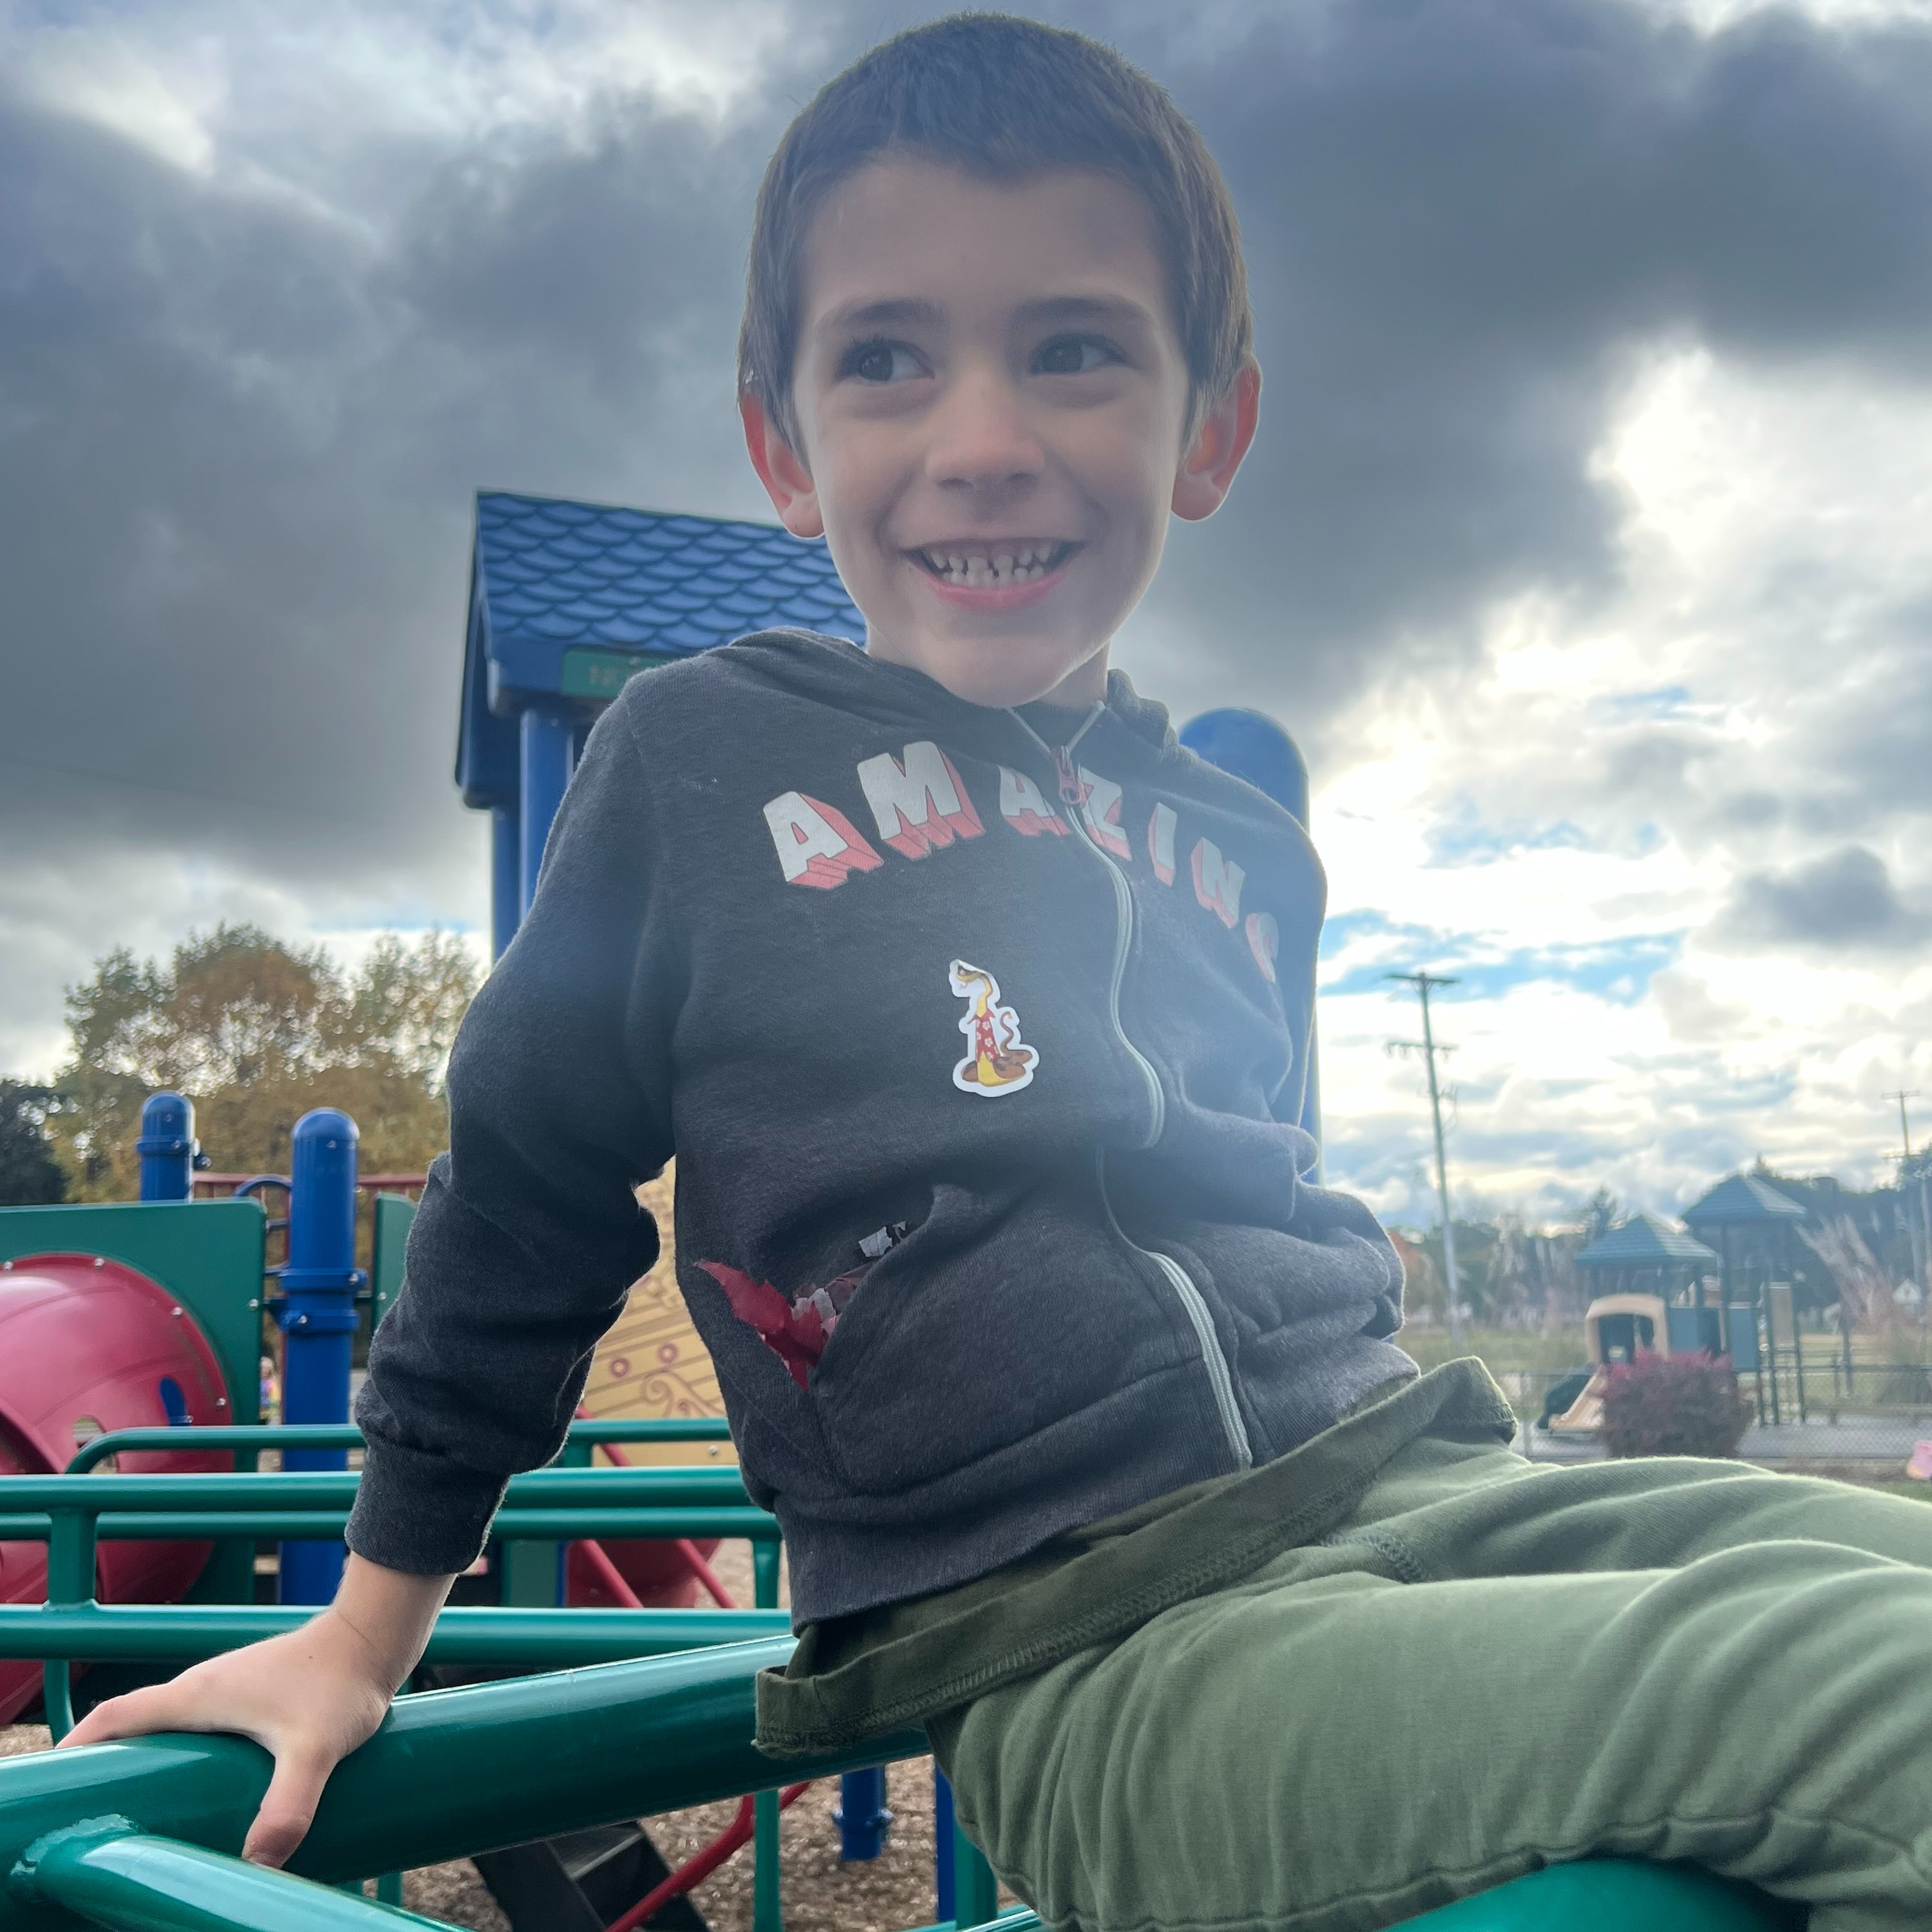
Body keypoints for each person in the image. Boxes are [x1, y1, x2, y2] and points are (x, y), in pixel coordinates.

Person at [63, 17, 1932, 1930]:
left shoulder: (1244, 847)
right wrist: (364, 1641)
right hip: (1089, 1645)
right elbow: (523, 1195)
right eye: (888, 358)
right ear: (783, 444)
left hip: (1425, 1477)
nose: (981, 442)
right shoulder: (704, 763)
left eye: (1074, 347)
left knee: (1902, 1583)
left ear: (1207, 426)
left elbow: (1247, 1195)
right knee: (1884, 1712)